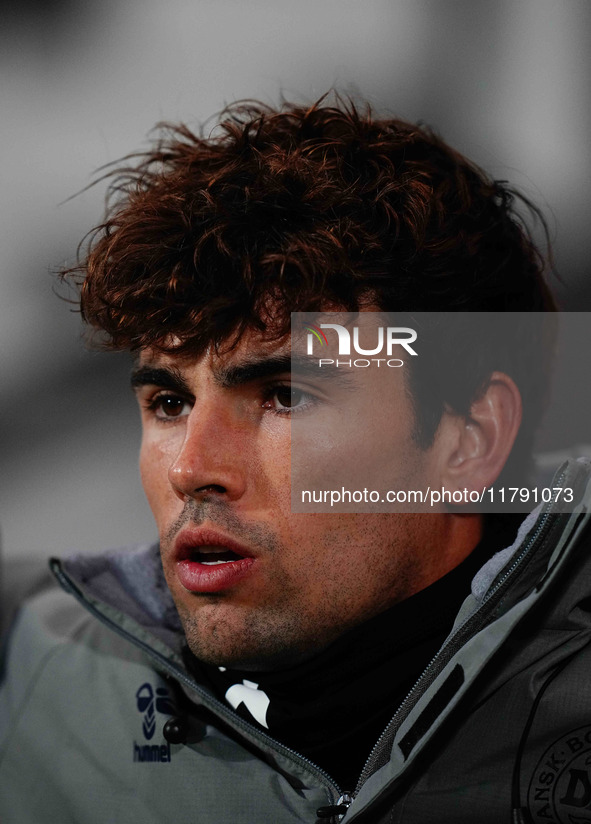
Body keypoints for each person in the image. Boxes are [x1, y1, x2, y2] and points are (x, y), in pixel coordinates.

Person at [1, 98, 590, 824]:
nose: (192, 468)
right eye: (169, 403)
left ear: (468, 437)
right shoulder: (38, 683)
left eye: (283, 395)